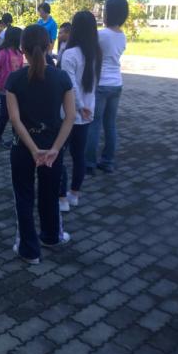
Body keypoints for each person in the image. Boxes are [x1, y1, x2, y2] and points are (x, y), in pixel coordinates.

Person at [6, 24, 75, 264]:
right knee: (50, 194)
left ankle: (29, 250)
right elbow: (70, 117)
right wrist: (55, 149)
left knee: (23, 197)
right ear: (49, 46)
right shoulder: (62, 77)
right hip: (53, 147)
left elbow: (15, 120)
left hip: (23, 148)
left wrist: (33, 149)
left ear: (22, 48)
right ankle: (51, 236)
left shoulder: (14, 79)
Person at [58, 11, 101, 212]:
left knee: (58, 154)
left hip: (69, 114)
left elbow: (70, 85)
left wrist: (80, 106)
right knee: (78, 156)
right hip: (86, 114)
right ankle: (74, 194)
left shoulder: (70, 53)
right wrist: (85, 107)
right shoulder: (96, 53)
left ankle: (62, 198)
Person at [85, 0, 128, 175]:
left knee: (94, 124)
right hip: (116, 84)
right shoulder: (122, 36)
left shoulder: (101, 35)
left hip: (101, 84)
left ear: (109, 13)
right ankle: (107, 161)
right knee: (110, 125)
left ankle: (89, 163)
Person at [0, 26, 23, 147]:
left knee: (17, 114)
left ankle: (16, 137)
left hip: (17, 89)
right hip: (5, 89)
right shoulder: (3, 53)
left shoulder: (19, 54)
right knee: (5, 114)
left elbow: (20, 70)